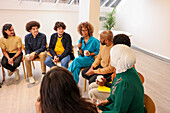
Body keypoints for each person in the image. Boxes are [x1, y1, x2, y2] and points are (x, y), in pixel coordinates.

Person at [97, 44, 145, 113]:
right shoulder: (127, 70)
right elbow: (116, 91)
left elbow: (119, 111)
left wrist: (100, 112)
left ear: (118, 59)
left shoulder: (124, 83)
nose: (110, 58)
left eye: (111, 56)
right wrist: (106, 101)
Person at [88, 34, 131, 101]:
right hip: (113, 84)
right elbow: (114, 76)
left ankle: (98, 107)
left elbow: (119, 88)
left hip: (119, 94)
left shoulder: (126, 66)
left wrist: (105, 83)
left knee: (92, 92)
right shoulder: (120, 61)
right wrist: (106, 80)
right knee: (91, 86)